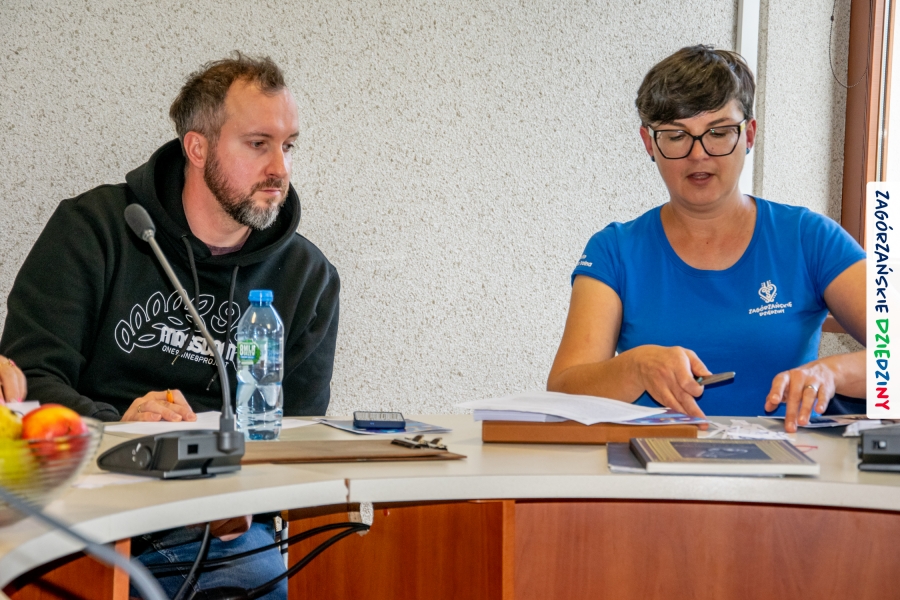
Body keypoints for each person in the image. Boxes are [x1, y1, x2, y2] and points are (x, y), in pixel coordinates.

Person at [0, 53, 340, 599]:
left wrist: (250, 497)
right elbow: (27, 381)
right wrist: (120, 430)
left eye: (288, 145)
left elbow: (297, 427)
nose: (280, 168)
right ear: (197, 148)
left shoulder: (307, 277)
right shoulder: (95, 229)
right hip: (93, 502)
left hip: (219, 522)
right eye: (258, 144)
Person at [547, 45, 865, 433]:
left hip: (789, 463)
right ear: (649, 143)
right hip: (651, 465)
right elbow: (563, 392)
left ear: (748, 134)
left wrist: (833, 373)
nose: (698, 154)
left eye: (718, 132)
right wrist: (634, 368)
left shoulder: (809, 238)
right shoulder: (614, 251)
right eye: (676, 135)